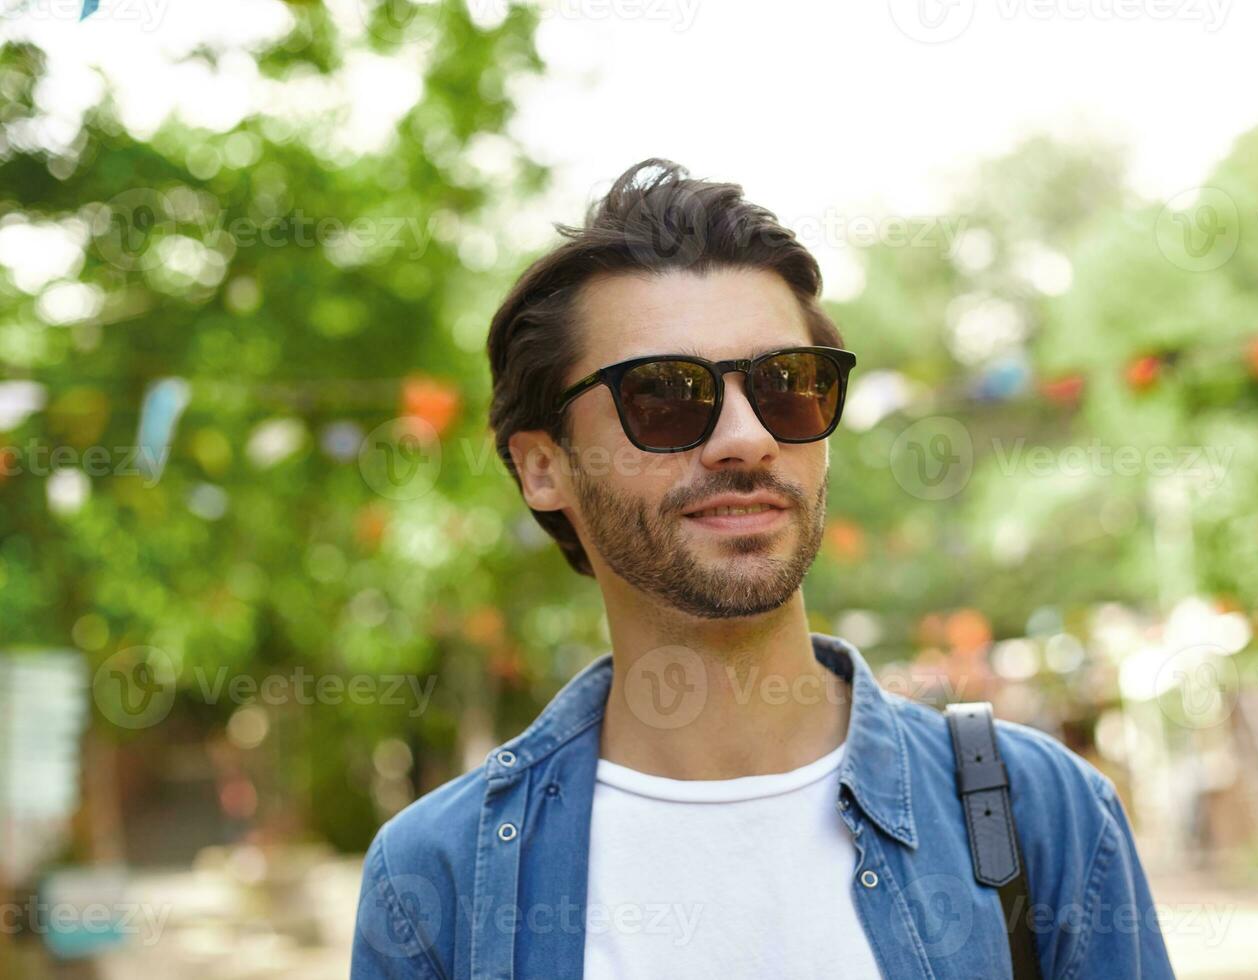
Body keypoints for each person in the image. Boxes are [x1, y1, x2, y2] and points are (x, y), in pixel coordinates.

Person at [351, 158, 1177, 979]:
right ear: (543, 468)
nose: (747, 437)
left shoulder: (1041, 816)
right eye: (665, 396)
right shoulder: (440, 883)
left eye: (789, 386)